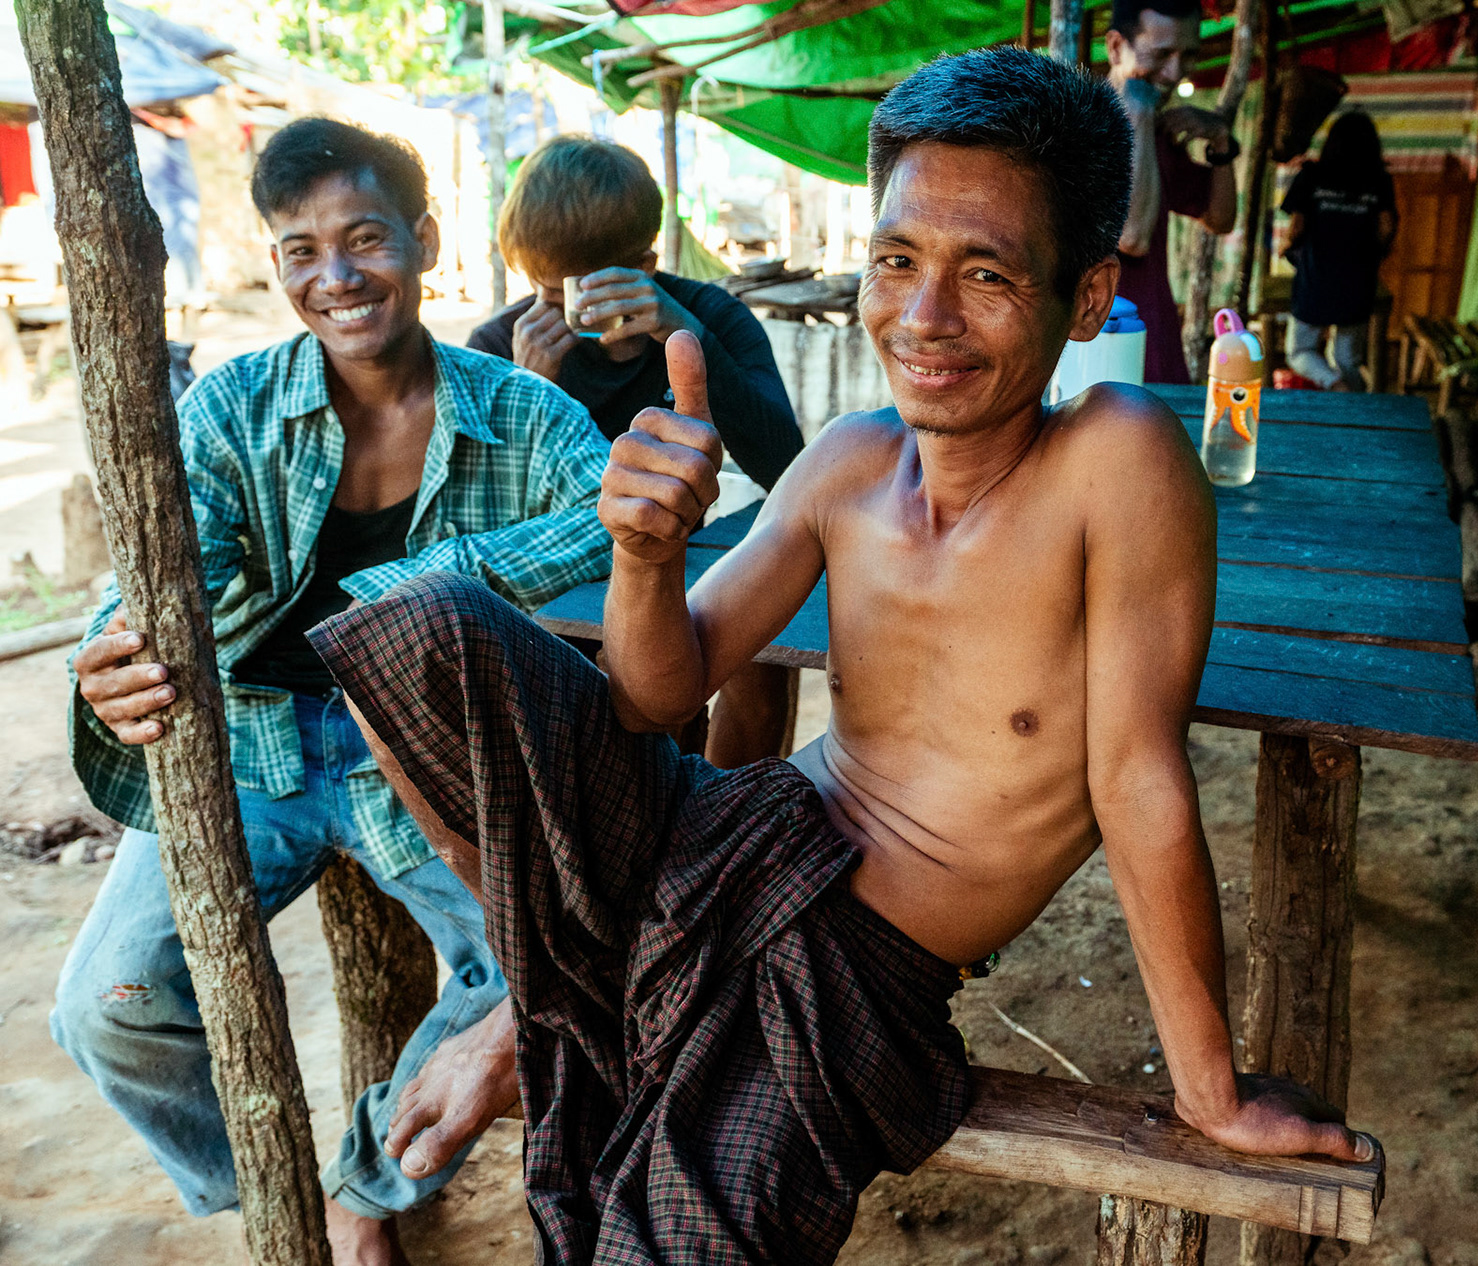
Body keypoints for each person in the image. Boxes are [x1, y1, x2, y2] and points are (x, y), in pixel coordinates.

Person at [312, 48, 1371, 1266]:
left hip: (852, 971)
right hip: (722, 834)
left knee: (668, 1249)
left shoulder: (1117, 460)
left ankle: (554, 998)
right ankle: (549, 985)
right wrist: (645, 557)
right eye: (897, 262)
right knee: (419, 630)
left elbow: (1138, 778)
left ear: (1085, 300)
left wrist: (1210, 1089)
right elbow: (661, 698)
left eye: (985, 275)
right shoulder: (851, 462)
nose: (924, 319)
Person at [53, 118, 614, 1266]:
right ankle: (283, 1211)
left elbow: (621, 517)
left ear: (424, 240)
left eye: (365, 239)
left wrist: (412, 588)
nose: (338, 275)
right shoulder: (229, 406)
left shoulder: (524, 412)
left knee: (535, 979)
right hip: (246, 744)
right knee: (106, 1008)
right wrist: (109, 655)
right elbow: (163, 579)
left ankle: (366, 1192)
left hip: (417, 753)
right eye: (303, 250)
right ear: (277, 267)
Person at [468, 134, 805, 767]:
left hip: (682, 564)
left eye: (589, 293)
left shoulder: (708, 316)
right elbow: (485, 523)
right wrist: (533, 397)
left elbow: (786, 464)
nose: (566, 314)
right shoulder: (503, 344)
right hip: (560, 583)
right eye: (546, 293)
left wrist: (685, 334)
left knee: (763, 657)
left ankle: (732, 821)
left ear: (644, 266)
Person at [1107, 0, 1238, 384]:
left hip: (1158, 348)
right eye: (1162, 53)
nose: (1175, 72)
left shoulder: (1159, 136)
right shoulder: (1081, 126)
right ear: (1116, 48)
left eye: (1189, 55)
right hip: (1098, 353)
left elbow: (1220, 218)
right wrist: (1140, 114)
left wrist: (1221, 143)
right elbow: (1131, 236)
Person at [1279, 110, 1398, 391]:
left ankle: (1334, 384)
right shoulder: (1379, 180)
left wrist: (1287, 246)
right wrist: (1371, 254)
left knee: (1299, 353)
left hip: (1315, 278)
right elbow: (1386, 226)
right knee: (1346, 357)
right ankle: (1352, 404)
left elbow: (1296, 228)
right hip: (1358, 280)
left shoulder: (1311, 175)